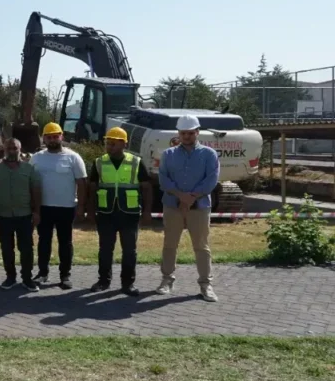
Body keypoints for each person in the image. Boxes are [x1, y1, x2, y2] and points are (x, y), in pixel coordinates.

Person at [156, 115, 220, 302]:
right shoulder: (168, 154)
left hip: (199, 207)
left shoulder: (209, 154)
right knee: (170, 244)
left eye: (190, 133)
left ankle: (206, 284)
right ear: (178, 133)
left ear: (197, 132)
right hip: (172, 205)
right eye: (183, 133)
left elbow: (211, 179)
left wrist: (192, 197)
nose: (186, 136)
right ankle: (167, 280)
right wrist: (180, 195)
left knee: (201, 246)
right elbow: (163, 179)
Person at [86, 127, 153, 295]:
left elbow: (146, 188)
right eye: (108, 143)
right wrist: (90, 212)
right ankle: (103, 281)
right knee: (105, 249)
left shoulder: (136, 162)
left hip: (129, 214)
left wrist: (147, 212)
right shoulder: (99, 162)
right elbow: (92, 189)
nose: (110, 146)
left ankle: (128, 284)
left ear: (124, 144)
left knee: (129, 251)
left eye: (113, 143)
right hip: (106, 214)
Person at [30, 122, 87, 290]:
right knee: (44, 241)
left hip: (66, 207)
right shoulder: (37, 158)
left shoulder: (73, 157)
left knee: (65, 242)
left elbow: (81, 183)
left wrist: (81, 207)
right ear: (44, 139)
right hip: (43, 208)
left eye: (55, 136)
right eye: (49, 137)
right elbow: (30, 183)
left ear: (62, 136)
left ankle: (65, 275)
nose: (52, 140)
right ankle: (43, 273)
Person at [0, 138, 41, 291]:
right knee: (7, 248)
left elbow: (35, 190)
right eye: (9, 148)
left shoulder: (29, 169)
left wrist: (37, 212)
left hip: (25, 215)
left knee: (26, 248)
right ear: (4, 149)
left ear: (19, 149)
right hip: (3, 216)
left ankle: (27, 279)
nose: (12, 151)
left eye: (15, 148)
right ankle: (10, 277)